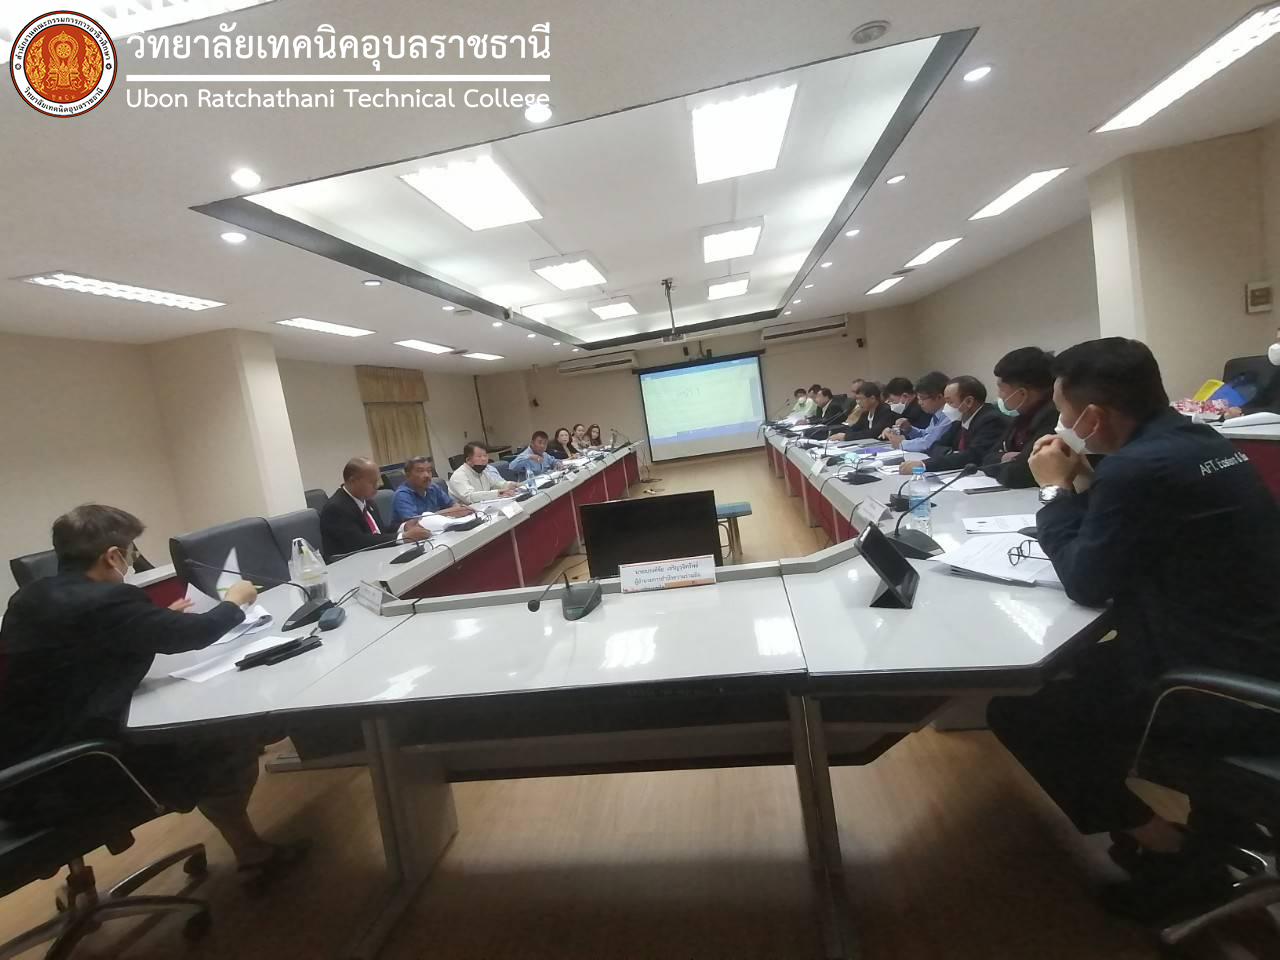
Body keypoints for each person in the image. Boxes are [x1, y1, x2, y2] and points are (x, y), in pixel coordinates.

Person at [987, 337, 1280, 918]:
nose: (1063, 425)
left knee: (1022, 712)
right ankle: (1221, 825)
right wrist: (1084, 482)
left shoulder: (1136, 470)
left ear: (1093, 418)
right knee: (1074, 673)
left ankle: (1168, 848)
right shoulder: (1201, 441)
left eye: (1065, 414)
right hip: (1252, 648)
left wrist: (1053, 490)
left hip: (1213, 685)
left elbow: (1087, 580)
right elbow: (1137, 527)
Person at [0, 505, 303, 876]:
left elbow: (83, 651)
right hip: (79, 768)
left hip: (23, 765)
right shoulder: (109, 601)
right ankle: (251, 852)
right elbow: (197, 634)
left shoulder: (30, 597)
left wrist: (154, 623)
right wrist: (235, 600)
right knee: (227, 738)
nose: (131, 561)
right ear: (112, 556)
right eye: (131, 553)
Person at [320, 457, 428, 562]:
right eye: (372, 482)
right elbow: (359, 542)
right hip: (348, 565)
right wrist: (403, 537)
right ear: (353, 481)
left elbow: (379, 533)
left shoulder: (367, 501)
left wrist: (404, 527)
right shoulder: (336, 507)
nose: (377, 486)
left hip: (373, 559)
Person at [980, 347, 1059, 489]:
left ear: (1022, 393)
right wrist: (1008, 458)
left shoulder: (1053, 416)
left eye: (1001, 388)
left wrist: (1011, 461)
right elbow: (987, 459)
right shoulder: (1022, 417)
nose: (999, 395)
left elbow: (1018, 474)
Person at [897, 375, 1005, 473]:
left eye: (949, 402)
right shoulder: (959, 421)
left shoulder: (991, 420)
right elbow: (935, 446)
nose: (946, 407)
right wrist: (952, 454)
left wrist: (924, 465)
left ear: (968, 402)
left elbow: (973, 456)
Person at [881, 371, 953, 452]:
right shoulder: (937, 414)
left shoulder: (949, 415)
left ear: (939, 397)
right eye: (919, 399)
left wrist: (901, 444)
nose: (919, 403)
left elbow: (929, 443)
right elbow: (926, 434)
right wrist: (909, 429)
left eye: (922, 398)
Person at [391, 456, 473, 524]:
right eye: (420, 471)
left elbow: (453, 505)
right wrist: (448, 512)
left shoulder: (433, 487)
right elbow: (414, 522)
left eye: (429, 471)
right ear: (408, 475)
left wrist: (459, 510)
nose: (426, 475)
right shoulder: (402, 495)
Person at [448, 441, 519, 503]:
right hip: (467, 511)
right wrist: (497, 493)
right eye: (479, 456)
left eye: (485, 455)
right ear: (468, 460)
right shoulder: (459, 475)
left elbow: (495, 484)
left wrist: (513, 485)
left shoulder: (483, 471)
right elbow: (469, 497)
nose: (484, 459)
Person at [829, 381, 896, 441]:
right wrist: (840, 434)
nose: (858, 402)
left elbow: (873, 433)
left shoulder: (885, 411)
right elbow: (854, 428)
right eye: (857, 399)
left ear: (872, 398)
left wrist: (846, 437)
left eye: (860, 399)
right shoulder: (865, 413)